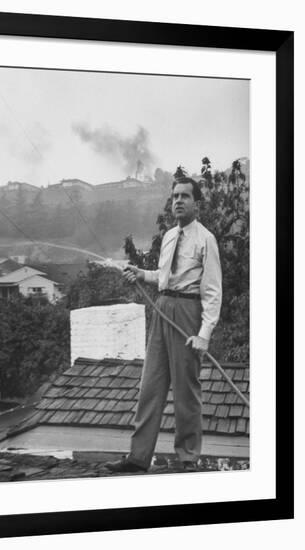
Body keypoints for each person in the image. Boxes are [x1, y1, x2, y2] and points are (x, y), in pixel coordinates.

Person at [105, 175, 222, 473]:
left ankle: (187, 458)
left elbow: (212, 292)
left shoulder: (205, 239)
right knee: (150, 386)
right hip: (162, 308)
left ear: (196, 202)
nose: (179, 201)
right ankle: (138, 457)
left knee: (186, 390)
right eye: (175, 197)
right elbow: (164, 276)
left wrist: (203, 334)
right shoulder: (170, 236)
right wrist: (140, 274)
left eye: (185, 196)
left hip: (187, 312)